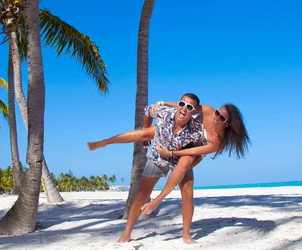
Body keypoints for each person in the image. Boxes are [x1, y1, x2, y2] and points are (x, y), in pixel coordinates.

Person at [87, 98, 250, 244]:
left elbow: (193, 153)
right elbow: (186, 106)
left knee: (187, 192)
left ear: (228, 123)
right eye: (217, 113)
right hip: (177, 136)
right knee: (144, 135)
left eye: (221, 118)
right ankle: (104, 142)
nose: (216, 117)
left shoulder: (218, 141)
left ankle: (184, 233)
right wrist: (164, 103)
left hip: (189, 152)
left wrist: (171, 153)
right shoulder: (207, 110)